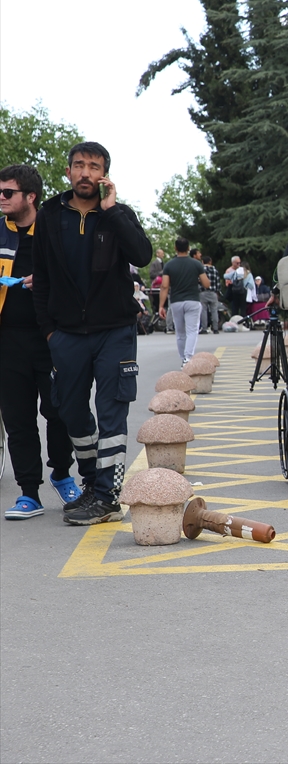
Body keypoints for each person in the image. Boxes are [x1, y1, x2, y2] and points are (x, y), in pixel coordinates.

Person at [32, 141, 153, 525]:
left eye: (94, 167)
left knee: (111, 411)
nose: (85, 173)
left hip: (114, 330)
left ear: (105, 175)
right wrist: (49, 332)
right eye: (79, 165)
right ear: (68, 172)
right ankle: (92, 481)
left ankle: (107, 497)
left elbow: (142, 255)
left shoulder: (118, 214)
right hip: (66, 333)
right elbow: (43, 277)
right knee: (69, 411)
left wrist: (112, 210)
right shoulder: (49, 213)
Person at [0, 164, 81, 520]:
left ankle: (62, 474)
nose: (0, 198)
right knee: (17, 418)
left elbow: (77, 274)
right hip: (7, 341)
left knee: (59, 412)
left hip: (50, 338)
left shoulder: (51, 229)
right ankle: (28, 493)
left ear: (30, 197)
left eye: (7, 193)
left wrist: (46, 281)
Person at [159, 237, 210, 367]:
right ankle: (188, 358)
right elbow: (206, 283)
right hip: (193, 300)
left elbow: (165, 286)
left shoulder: (169, 265)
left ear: (175, 248)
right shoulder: (196, 264)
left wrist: (161, 306)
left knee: (180, 332)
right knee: (192, 330)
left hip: (176, 301)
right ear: (188, 248)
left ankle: (183, 358)